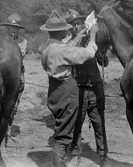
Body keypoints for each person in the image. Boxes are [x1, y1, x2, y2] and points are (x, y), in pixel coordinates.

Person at [40, 10, 100, 167]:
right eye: (65, 29)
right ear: (60, 32)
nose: (68, 31)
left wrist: (76, 39)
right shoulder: (61, 50)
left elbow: (63, 52)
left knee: (61, 126)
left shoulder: (47, 47)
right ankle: (58, 162)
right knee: (64, 134)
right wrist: (93, 35)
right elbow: (88, 53)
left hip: (55, 90)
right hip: (67, 91)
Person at [65, 9, 111, 167]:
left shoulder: (92, 41)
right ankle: (76, 153)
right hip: (79, 88)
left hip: (96, 87)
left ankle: (103, 156)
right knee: (77, 122)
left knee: (99, 122)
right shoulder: (69, 43)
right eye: (74, 24)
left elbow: (103, 63)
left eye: (79, 23)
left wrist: (103, 54)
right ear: (70, 27)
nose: (77, 26)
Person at [1, 13, 27, 143]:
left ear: (18, 29)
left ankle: (8, 128)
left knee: (14, 103)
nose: (12, 30)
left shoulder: (23, 42)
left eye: (15, 27)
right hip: (2, 73)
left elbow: (19, 57)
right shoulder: (0, 39)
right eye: (10, 27)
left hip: (16, 74)